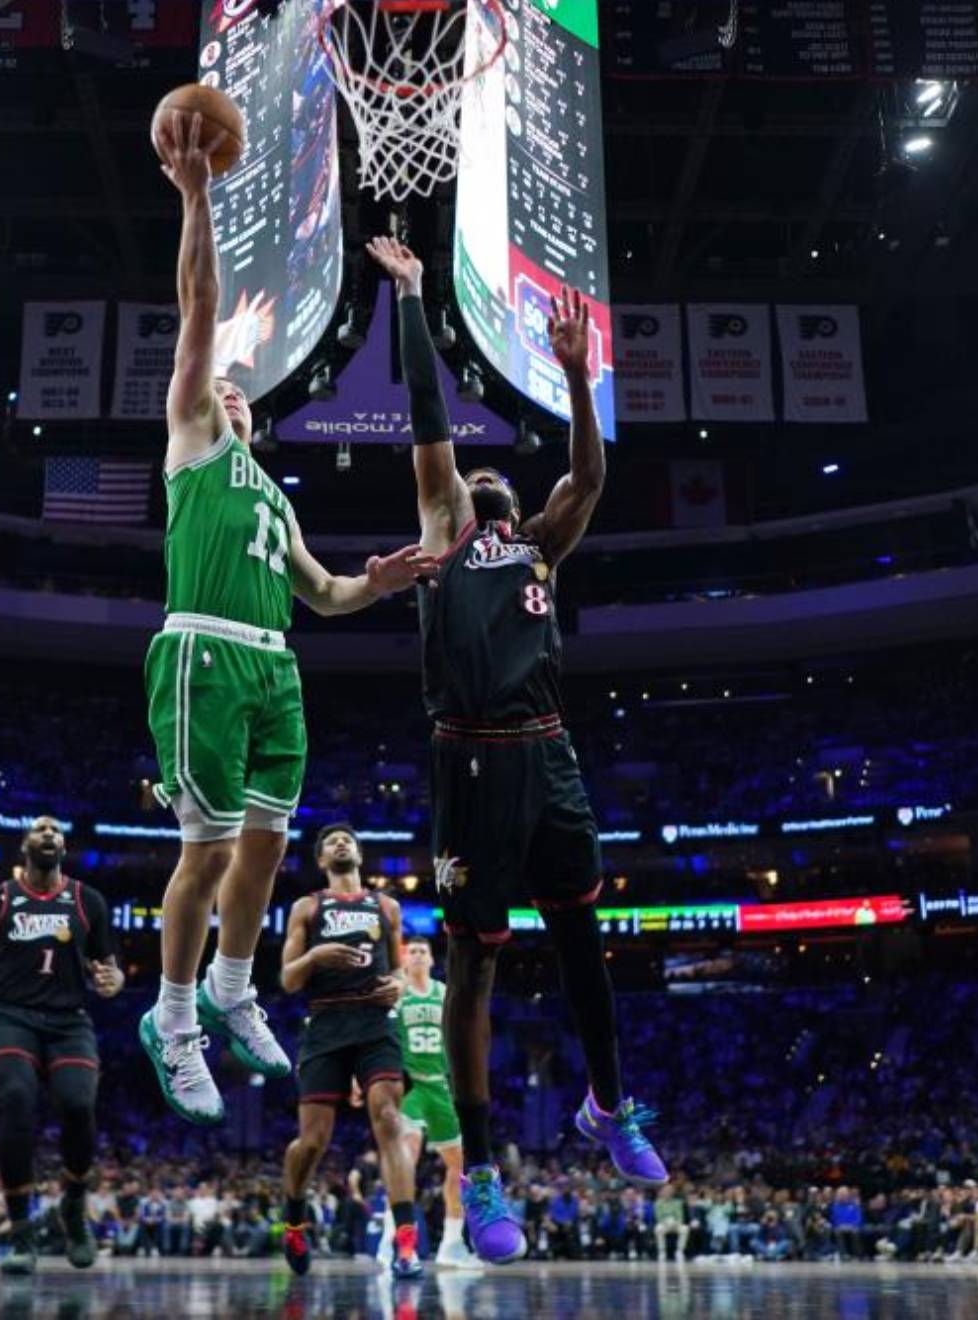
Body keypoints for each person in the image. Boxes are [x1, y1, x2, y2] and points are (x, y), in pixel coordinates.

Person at [363, 237, 665, 1267]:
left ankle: (610, 1104)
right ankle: (482, 1166)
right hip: (469, 762)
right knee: (471, 969)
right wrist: (411, 296)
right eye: (475, 470)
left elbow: (589, 470)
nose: (481, 473)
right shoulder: (446, 527)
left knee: (585, 936)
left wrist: (580, 377)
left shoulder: (542, 541)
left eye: (497, 473)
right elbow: (428, 422)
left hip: (548, 754)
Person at [140, 111, 435, 1127]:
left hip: (276, 666)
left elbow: (325, 595)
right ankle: (174, 1018)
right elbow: (199, 304)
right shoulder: (191, 440)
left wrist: (380, 584)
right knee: (207, 852)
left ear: (253, 414)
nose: (226, 389)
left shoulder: (273, 495)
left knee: (266, 845)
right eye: (215, 382)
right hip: (204, 658)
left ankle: (230, 986)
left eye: (236, 389)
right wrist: (196, 199)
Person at [0, 816, 123, 1274]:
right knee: (17, 1099)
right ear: (24, 845)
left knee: (78, 1106)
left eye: (57, 830)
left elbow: (108, 967)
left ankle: (73, 1206)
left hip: (68, 1022)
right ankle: (20, 1233)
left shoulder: (87, 900)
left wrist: (111, 979)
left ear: (65, 846)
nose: (50, 834)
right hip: (9, 1017)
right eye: (40, 829)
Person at [276, 824, 421, 1278]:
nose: (341, 843)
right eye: (331, 842)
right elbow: (288, 979)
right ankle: (295, 1217)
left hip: (376, 1026)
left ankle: (406, 1245)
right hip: (325, 1024)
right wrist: (317, 957)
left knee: (390, 1121)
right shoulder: (308, 907)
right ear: (321, 861)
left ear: (359, 855)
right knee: (313, 1143)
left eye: (349, 840)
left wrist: (395, 988)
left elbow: (398, 974)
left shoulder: (386, 906)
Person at [381, 934, 480, 1268]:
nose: (419, 955)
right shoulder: (396, 994)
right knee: (405, 1159)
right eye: (413, 952)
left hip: (440, 1086)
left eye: (425, 951)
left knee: (461, 1165)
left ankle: (451, 1244)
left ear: (433, 960)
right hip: (408, 1085)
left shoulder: (443, 993)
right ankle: (389, 1239)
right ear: (404, 960)